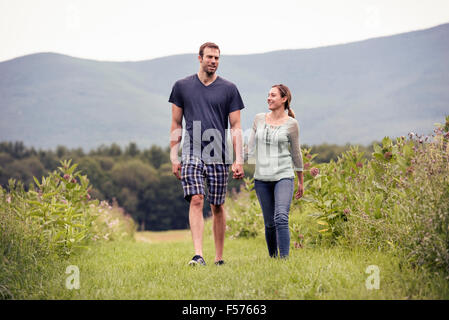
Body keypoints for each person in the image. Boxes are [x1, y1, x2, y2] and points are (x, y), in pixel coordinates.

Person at [169, 42, 245, 266]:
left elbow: (236, 125)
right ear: (199, 58)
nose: (213, 61)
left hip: (219, 154)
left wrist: (238, 158)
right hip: (191, 151)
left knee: (217, 205)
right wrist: (174, 156)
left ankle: (219, 257)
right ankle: (198, 255)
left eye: (217, 58)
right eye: (210, 57)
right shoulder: (181, 86)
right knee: (196, 198)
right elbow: (176, 122)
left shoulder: (229, 89)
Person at [247, 84, 304, 259]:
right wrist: (237, 163)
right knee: (270, 223)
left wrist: (301, 181)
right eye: (268, 95)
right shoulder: (259, 119)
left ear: (284, 99)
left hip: (284, 175)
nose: (269, 98)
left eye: (273, 95)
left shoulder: (292, 124)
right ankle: (273, 259)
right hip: (262, 178)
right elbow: (249, 147)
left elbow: (296, 152)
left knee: (281, 217)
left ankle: (284, 260)